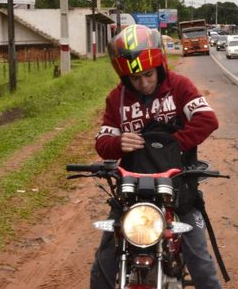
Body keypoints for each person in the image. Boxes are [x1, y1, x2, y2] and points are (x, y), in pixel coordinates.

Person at [92, 24, 222, 289]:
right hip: (131, 190)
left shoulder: (179, 86)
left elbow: (207, 119)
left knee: (201, 263)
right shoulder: (116, 99)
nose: (143, 82)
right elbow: (102, 142)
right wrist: (118, 143)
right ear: (124, 76)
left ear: (160, 64)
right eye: (134, 78)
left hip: (178, 184)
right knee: (104, 264)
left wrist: (173, 145)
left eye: (148, 74)